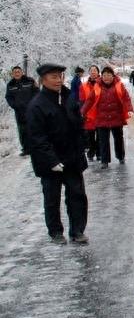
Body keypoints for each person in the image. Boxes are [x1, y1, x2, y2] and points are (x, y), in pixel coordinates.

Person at [25, 63, 88, 244]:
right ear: (43, 80)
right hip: (51, 161)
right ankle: (55, 232)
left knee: (77, 196)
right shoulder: (37, 105)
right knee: (52, 198)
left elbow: (78, 123)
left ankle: (77, 231)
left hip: (72, 158)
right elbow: (37, 138)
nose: (58, 80)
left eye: (60, 76)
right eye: (53, 77)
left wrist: (83, 143)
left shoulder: (69, 97)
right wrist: (51, 160)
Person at [81, 66, 134, 169]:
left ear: (113, 76)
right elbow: (89, 101)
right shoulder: (97, 87)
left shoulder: (119, 86)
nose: (106, 77)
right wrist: (83, 111)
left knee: (118, 139)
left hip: (116, 117)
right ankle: (105, 161)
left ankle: (120, 157)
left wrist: (129, 109)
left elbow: (126, 98)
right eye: (104, 75)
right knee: (103, 141)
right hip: (101, 118)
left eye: (109, 75)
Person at [4, 65, 39, 155]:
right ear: (12, 74)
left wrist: (33, 104)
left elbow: (37, 92)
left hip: (31, 110)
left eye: (18, 71)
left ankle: (36, 147)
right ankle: (26, 149)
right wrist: (14, 105)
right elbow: (8, 97)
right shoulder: (10, 85)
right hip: (19, 112)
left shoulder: (30, 81)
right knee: (22, 131)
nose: (17, 73)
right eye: (15, 72)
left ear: (22, 72)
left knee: (34, 128)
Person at [79, 65, 100, 161]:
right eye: (91, 70)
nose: (93, 72)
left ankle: (99, 153)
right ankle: (91, 152)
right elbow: (82, 101)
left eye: (95, 70)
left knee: (100, 136)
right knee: (90, 136)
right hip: (89, 115)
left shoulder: (102, 84)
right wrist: (82, 112)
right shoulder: (83, 86)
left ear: (98, 72)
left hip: (100, 113)